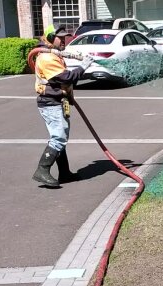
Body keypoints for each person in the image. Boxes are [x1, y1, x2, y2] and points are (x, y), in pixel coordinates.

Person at [32, 25, 94, 187]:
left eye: (65, 37)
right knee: (58, 137)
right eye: (61, 37)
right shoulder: (46, 58)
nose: (64, 41)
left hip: (61, 101)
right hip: (51, 103)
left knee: (61, 137)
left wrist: (69, 98)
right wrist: (83, 66)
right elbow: (65, 78)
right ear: (51, 38)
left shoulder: (54, 55)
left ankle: (64, 173)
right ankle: (42, 170)